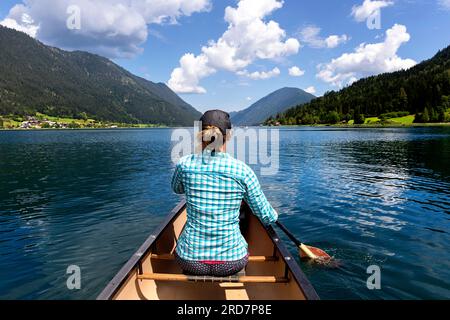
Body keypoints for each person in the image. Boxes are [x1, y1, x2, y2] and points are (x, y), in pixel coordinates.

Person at [171, 110, 278, 277]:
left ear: (200, 134)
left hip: (190, 261)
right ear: (228, 136)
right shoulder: (242, 171)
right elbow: (266, 217)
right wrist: (273, 214)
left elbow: (177, 189)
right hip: (231, 262)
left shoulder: (184, 164)